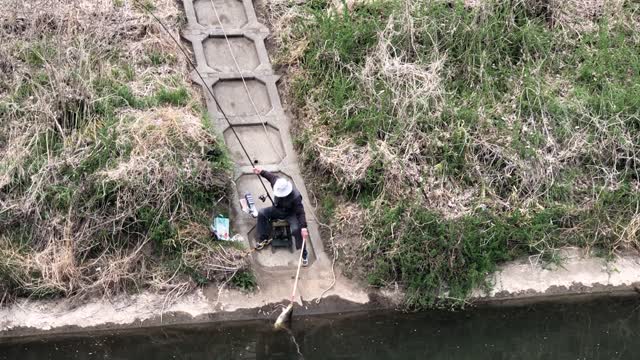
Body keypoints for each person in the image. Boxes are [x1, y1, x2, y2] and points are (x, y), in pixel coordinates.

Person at [253, 167, 309, 266]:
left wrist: (304, 227)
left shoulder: (296, 197)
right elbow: (270, 176)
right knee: (262, 213)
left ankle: (304, 253)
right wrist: (261, 171)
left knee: (297, 230)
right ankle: (263, 238)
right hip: (277, 209)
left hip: (291, 214)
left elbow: (300, 212)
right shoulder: (277, 183)